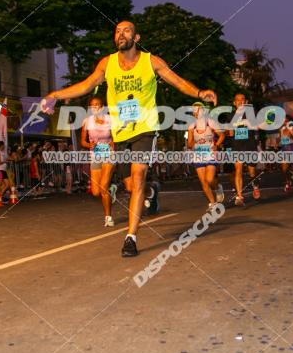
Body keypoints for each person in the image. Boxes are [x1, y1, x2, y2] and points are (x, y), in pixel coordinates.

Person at [42, 20, 217, 257]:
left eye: (126, 30)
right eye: (117, 30)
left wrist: (199, 93)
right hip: (121, 133)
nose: (120, 33)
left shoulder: (150, 62)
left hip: (145, 129)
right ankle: (149, 192)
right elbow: (85, 85)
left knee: (137, 177)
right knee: (130, 186)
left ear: (136, 38)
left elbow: (176, 80)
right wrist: (55, 95)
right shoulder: (107, 63)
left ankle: (130, 238)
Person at [81, 96, 116, 226]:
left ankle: (108, 217)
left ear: (102, 106)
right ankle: (111, 189)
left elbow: (116, 136)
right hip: (95, 155)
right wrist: (89, 145)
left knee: (103, 187)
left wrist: (113, 142)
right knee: (96, 192)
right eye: (93, 105)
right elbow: (83, 141)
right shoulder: (87, 121)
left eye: (98, 104)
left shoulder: (110, 119)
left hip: (109, 154)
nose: (96, 107)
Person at [187, 102, 226, 211]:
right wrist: (194, 144)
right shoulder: (191, 125)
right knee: (203, 181)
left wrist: (216, 145)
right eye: (194, 110)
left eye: (198, 109)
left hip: (210, 154)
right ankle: (212, 203)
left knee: (209, 179)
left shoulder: (210, 122)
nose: (196, 112)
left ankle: (217, 187)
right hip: (198, 155)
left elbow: (222, 135)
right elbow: (189, 144)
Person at [228, 93, 261, 205]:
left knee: (252, 172)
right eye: (237, 100)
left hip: (250, 145)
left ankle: (255, 186)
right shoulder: (231, 116)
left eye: (242, 99)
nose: (240, 101)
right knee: (238, 170)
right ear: (234, 103)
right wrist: (231, 131)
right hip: (237, 146)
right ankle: (239, 196)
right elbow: (230, 132)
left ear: (245, 102)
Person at [279, 117, 293, 193]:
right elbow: (281, 140)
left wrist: (292, 136)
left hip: (292, 149)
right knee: (284, 169)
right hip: (284, 150)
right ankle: (287, 182)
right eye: (283, 121)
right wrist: (277, 142)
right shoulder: (281, 129)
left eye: (286, 121)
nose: (284, 122)